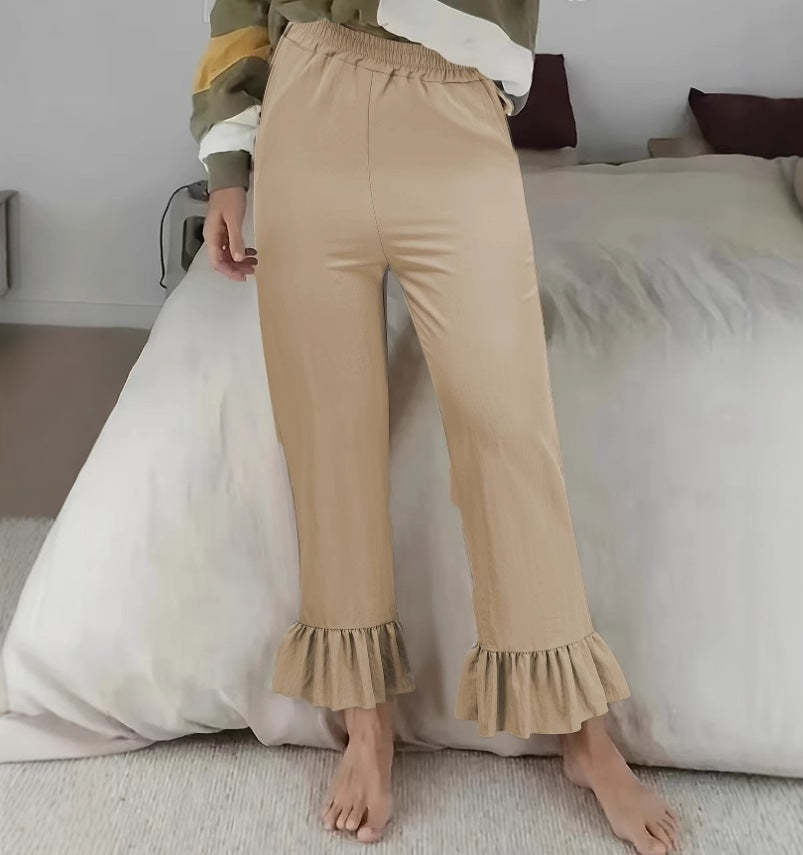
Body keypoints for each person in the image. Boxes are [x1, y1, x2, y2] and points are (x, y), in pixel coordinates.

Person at [190, 4, 679, 852]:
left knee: (508, 429)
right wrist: (228, 167)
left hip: (454, 101)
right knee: (326, 439)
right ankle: (367, 723)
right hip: (307, 100)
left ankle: (582, 732)